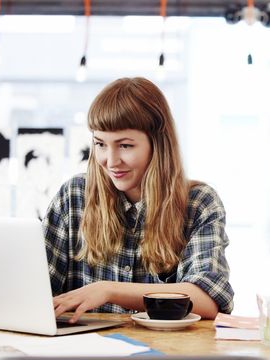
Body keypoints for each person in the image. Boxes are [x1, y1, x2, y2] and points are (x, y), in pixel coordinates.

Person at [43, 77, 234, 323]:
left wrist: (108, 290)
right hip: (83, 353)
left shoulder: (198, 203)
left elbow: (207, 299)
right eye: (100, 144)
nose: (110, 161)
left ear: (158, 145)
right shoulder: (74, 196)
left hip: (166, 354)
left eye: (125, 146)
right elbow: (35, 289)